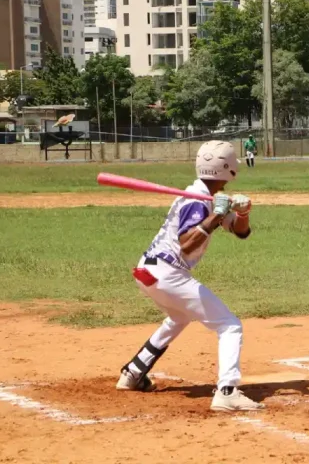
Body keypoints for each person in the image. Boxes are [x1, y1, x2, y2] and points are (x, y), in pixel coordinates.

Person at [116, 140, 263, 412]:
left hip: (151, 271)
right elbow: (187, 244)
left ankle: (133, 373)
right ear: (228, 169)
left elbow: (241, 232)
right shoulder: (197, 200)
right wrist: (215, 216)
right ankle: (228, 391)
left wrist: (243, 212)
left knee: (179, 317)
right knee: (229, 325)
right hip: (167, 272)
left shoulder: (207, 198)